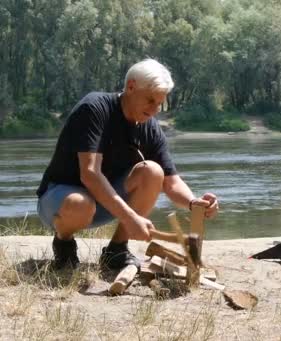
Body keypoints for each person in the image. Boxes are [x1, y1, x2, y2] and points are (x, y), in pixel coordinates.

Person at [36, 58, 219, 270]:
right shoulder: (94, 108)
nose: (155, 110)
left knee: (152, 171)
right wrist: (131, 217)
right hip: (59, 201)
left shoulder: (149, 127)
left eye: (160, 103)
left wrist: (193, 202)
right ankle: (64, 243)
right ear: (131, 86)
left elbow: (171, 182)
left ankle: (116, 250)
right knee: (80, 203)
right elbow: (90, 174)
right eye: (150, 100)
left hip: (103, 204)